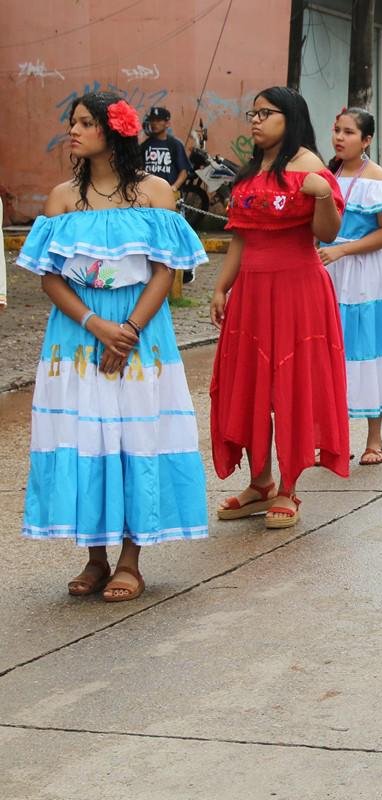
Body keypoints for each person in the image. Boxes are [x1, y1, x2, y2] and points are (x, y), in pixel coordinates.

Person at [16, 91, 209, 601]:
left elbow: (166, 271)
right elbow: (50, 280)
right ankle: (95, 557)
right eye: (72, 123)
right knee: (87, 438)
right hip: (77, 336)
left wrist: (128, 331)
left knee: (133, 436)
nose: (73, 132)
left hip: (141, 336)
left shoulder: (155, 193)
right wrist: (98, 325)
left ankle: (131, 560)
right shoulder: (61, 198)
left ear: (113, 131)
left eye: (84, 123)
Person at [209, 86, 348, 530]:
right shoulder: (250, 171)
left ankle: (289, 487)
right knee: (249, 386)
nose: (255, 121)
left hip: (298, 290)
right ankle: (261, 482)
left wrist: (322, 196)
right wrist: (221, 287)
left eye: (265, 113)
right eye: (252, 113)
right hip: (250, 292)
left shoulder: (309, 166)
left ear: (290, 117)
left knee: (291, 386)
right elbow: (241, 237)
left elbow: (327, 234)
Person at [317, 107, 382, 464]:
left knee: (367, 347)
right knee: (330, 349)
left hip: (366, 273)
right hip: (329, 269)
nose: (340, 138)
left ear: (367, 140)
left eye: (348, 132)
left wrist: (344, 249)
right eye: (336, 130)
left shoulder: (378, 180)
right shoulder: (327, 174)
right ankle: (330, 437)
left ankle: (374, 440)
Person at [141, 106, 195, 283]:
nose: (155, 124)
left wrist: (173, 188)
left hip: (171, 196)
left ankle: (184, 270)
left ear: (167, 122)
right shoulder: (145, 146)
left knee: (174, 233)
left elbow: (184, 171)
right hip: (148, 199)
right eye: (152, 121)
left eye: (159, 120)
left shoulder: (174, 144)